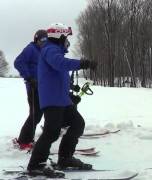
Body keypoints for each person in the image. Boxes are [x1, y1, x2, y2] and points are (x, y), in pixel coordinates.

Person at [27, 23, 97, 177]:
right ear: (60, 37)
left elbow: (59, 76)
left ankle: (65, 158)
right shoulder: (50, 50)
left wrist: (70, 96)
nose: (68, 42)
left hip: (62, 100)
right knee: (51, 133)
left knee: (78, 124)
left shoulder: (54, 51)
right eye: (66, 38)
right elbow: (60, 64)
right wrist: (82, 63)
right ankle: (35, 165)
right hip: (52, 101)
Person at [13, 30, 48, 150]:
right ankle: (24, 140)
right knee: (35, 114)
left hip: (42, 87)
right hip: (33, 87)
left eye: (46, 40)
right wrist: (28, 77)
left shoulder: (43, 51)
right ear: (36, 39)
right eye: (42, 40)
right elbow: (18, 62)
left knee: (37, 113)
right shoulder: (31, 49)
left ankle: (27, 138)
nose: (44, 42)